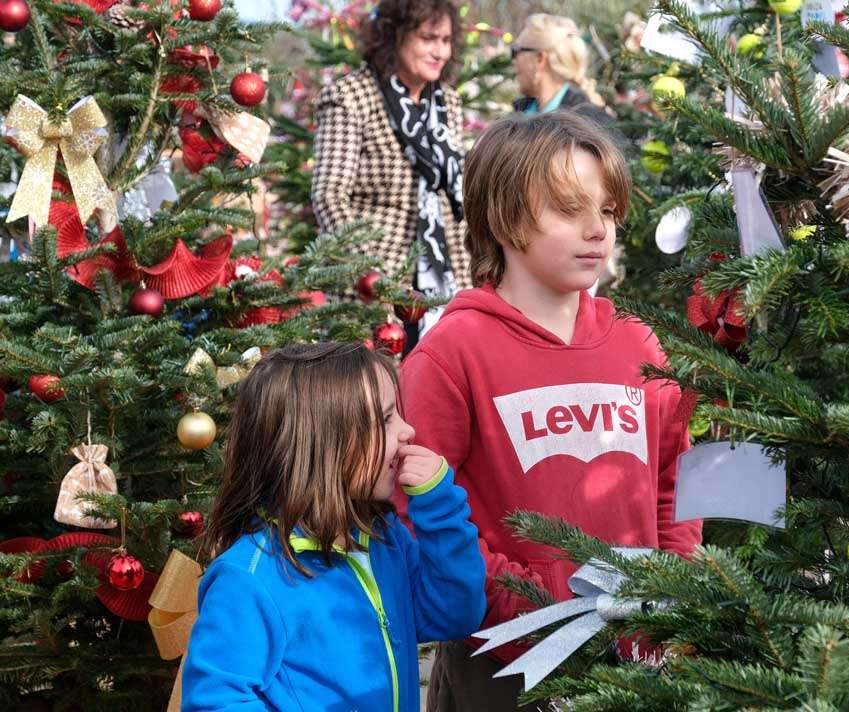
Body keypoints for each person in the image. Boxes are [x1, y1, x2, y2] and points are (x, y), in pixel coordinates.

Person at [397, 113, 703, 711]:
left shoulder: (638, 344)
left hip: (640, 653)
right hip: (505, 658)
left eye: (608, 211)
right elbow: (416, 505)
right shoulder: (451, 354)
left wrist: (673, 582)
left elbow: (676, 476)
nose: (598, 231)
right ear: (506, 219)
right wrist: (517, 602)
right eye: (569, 211)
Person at [182, 342, 485, 712]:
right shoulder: (247, 579)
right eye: (387, 419)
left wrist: (440, 509)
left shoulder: (382, 538)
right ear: (328, 444)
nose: (408, 430)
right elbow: (215, 702)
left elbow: (454, 615)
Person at [312, 0, 468, 339]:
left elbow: (456, 197)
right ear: (394, 35)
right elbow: (329, 196)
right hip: (373, 292)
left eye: (446, 40)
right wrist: (371, 275)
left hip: (446, 282)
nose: (440, 51)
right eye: (429, 38)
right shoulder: (352, 96)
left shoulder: (448, 103)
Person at [510, 14, 613, 129]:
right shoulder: (523, 111)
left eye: (515, 51)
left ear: (540, 59)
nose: (513, 61)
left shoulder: (590, 128)